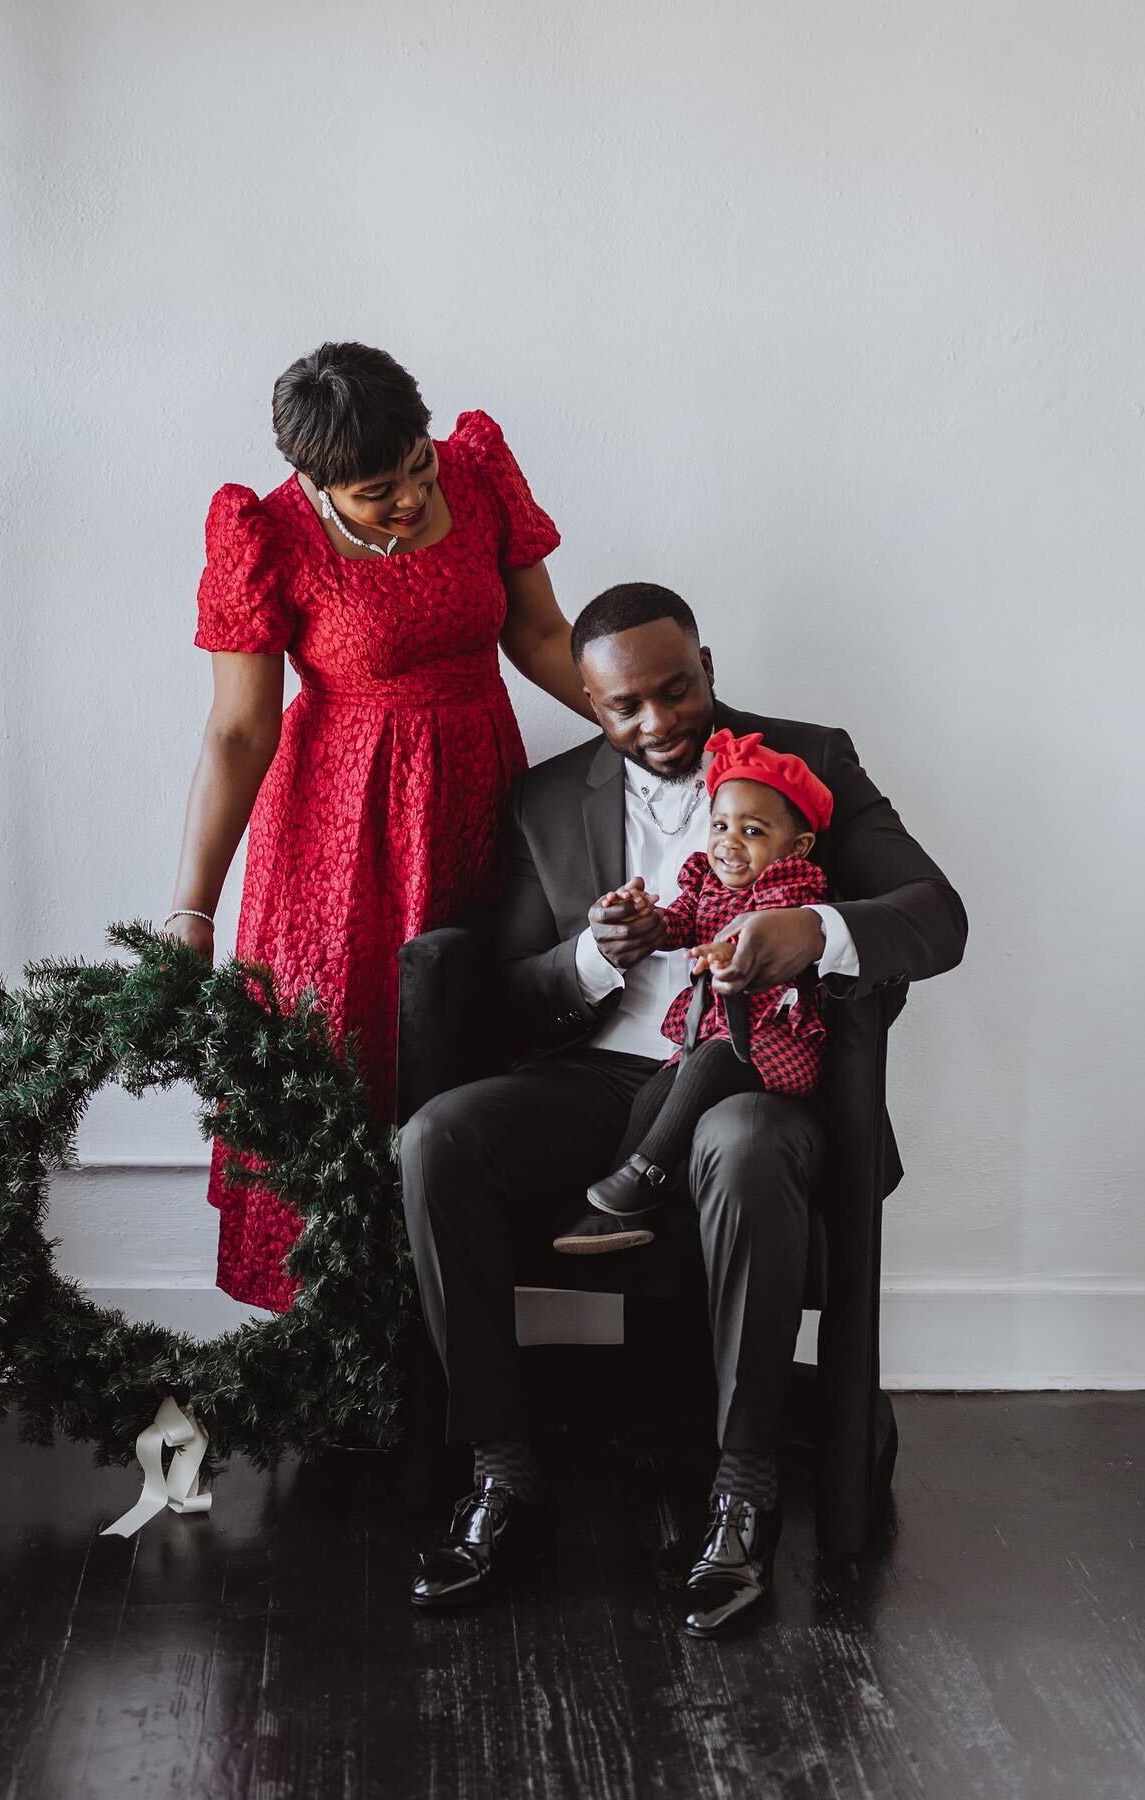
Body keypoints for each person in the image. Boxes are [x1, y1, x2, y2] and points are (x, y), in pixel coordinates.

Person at [400, 582, 966, 1638]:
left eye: (679, 690)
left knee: (744, 1144)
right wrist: (588, 957)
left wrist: (815, 930)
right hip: (600, 1075)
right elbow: (513, 989)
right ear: (586, 699)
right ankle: (502, 1474)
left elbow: (938, 916)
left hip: (754, 1071)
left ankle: (743, 1496)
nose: (659, 723)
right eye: (627, 706)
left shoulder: (815, 760)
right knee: (437, 1139)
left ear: (707, 664)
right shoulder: (546, 798)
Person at [165, 342, 593, 1313]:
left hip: (482, 806)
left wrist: (662, 730)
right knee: (338, 1059)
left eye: (415, 471)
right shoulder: (264, 534)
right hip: (336, 836)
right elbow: (239, 730)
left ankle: (464, 1327)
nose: (407, 502)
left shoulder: (478, 467)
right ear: (313, 484)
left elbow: (536, 636)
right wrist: (190, 906)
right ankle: (346, 1335)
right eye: (373, 494)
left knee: (478, 1048)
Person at [552, 728, 834, 1254]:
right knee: (655, 1094)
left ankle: (647, 1176)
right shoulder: (707, 880)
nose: (728, 842)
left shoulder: (791, 885)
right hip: (711, 1032)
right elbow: (680, 922)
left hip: (769, 1040)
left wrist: (731, 950)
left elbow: (763, 928)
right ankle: (614, 1211)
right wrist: (643, 918)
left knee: (705, 1063)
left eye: (751, 832)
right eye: (720, 825)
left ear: (794, 847)